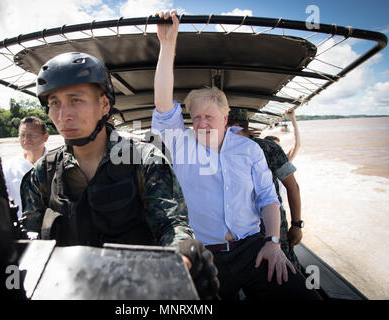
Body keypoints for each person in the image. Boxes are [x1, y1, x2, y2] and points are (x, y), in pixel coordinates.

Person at [19, 51, 219, 299]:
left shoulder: (144, 159)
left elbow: (171, 224)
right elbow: (30, 238)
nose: (63, 115)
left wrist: (182, 257)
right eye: (54, 103)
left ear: (104, 105)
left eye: (76, 100)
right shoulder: (44, 171)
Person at [151, 10, 321, 300]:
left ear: (226, 117)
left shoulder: (249, 149)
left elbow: (268, 199)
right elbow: (164, 102)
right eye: (197, 117)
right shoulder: (181, 144)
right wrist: (167, 45)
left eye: (210, 116)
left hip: (253, 248)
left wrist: (273, 243)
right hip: (206, 255)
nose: (202, 123)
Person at [228, 109, 303, 270]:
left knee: (283, 269)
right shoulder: (218, 150)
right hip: (239, 230)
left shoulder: (268, 149)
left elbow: (292, 186)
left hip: (271, 226)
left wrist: (297, 224)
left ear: (235, 127)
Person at [3, 116, 49, 218]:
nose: (26, 139)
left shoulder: (57, 162)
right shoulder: (8, 168)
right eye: (22, 135)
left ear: (45, 137)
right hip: (24, 229)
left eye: (32, 135)